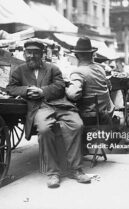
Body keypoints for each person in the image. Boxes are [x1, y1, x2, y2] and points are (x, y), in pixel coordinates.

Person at [6, 39, 91, 188]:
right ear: (25, 53)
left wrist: (42, 91)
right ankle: (53, 173)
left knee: (77, 125)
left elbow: (59, 87)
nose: (32, 56)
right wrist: (26, 91)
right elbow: (11, 88)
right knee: (44, 130)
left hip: (60, 105)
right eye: (29, 52)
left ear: (42, 54)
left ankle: (76, 169)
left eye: (36, 53)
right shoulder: (19, 70)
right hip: (40, 108)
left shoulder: (53, 68)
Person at [65, 37, 114, 117]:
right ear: (92, 54)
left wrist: (64, 88)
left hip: (91, 115)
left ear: (77, 55)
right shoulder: (100, 68)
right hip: (107, 113)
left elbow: (73, 95)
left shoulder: (78, 72)